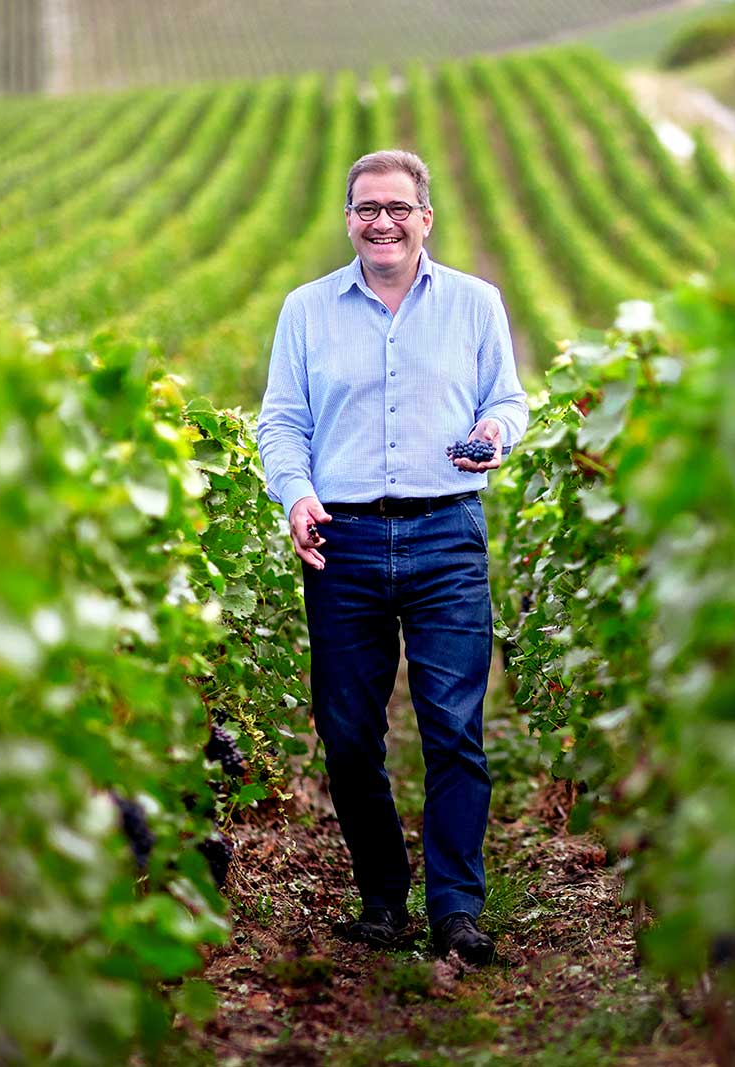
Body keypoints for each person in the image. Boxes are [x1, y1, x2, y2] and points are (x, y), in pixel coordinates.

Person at [255, 150, 528, 965]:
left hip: (447, 531)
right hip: (342, 538)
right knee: (345, 732)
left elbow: (506, 399)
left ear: (425, 218)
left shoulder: (476, 304)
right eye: (367, 207)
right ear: (348, 219)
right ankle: (382, 895)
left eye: (398, 207)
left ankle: (455, 907)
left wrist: (494, 434)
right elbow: (282, 422)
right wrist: (297, 495)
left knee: (452, 725)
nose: (383, 221)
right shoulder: (305, 311)